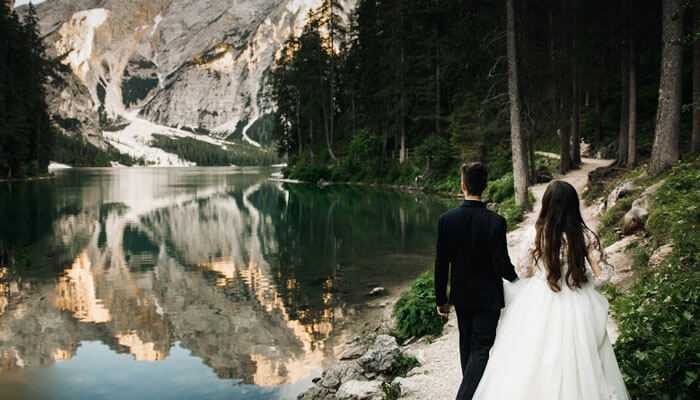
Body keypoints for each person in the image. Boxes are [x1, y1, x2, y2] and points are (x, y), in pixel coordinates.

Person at [472, 180, 630, 400]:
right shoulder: (585, 236)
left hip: (539, 299)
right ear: (573, 205)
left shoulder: (535, 234)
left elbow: (524, 271)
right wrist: (583, 280)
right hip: (577, 299)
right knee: (581, 357)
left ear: (546, 204)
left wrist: (541, 272)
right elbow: (604, 274)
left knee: (532, 358)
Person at [434, 162, 519, 400]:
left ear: (462, 185)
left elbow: (441, 264)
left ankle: (468, 394)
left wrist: (441, 298)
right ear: (485, 186)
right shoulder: (496, 221)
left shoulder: (446, 220)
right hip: (489, 297)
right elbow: (502, 264)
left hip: (461, 296)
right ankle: (469, 396)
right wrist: (519, 281)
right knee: (480, 349)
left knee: (467, 347)